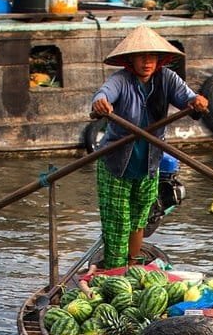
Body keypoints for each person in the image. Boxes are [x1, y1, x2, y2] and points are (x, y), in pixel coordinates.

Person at [88, 27, 207, 269]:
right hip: (117, 163)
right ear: (130, 59)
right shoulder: (121, 80)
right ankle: (115, 270)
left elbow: (188, 98)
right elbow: (103, 94)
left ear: (159, 59)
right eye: (141, 57)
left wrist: (197, 101)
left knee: (139, 218)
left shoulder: (167, 79)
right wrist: (100, 103)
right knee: (118, 222)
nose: (147, 62)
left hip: (149, 163)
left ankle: (133, 266)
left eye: (151, 56)